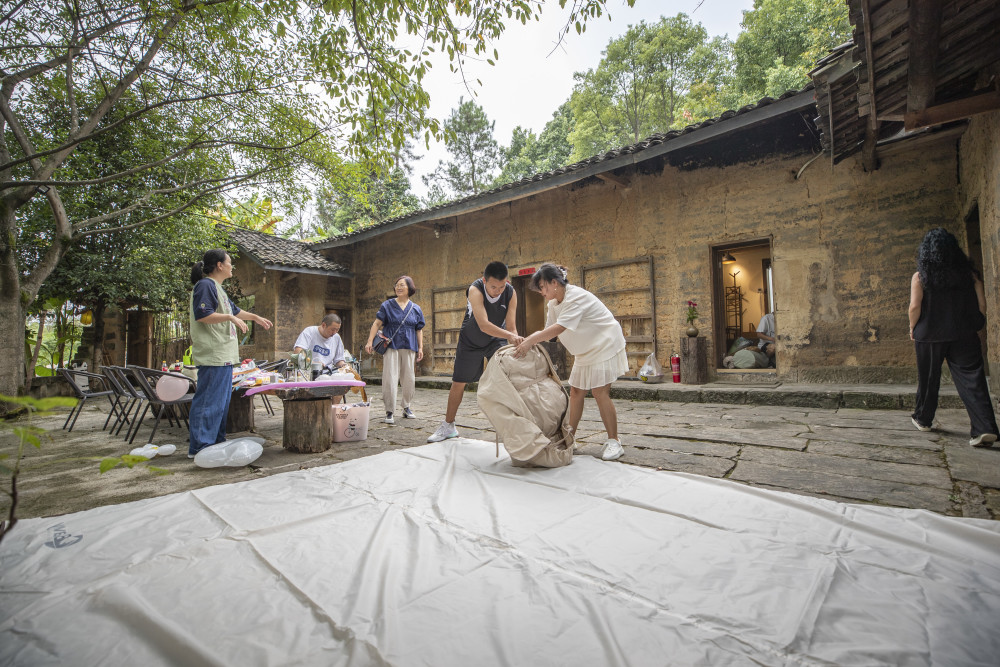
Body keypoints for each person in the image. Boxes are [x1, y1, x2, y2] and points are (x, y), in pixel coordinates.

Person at [513, 264, 628, 461]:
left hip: (603, 342)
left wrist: (530, 341)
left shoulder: (576, 297)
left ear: (554, 283)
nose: (541, 292)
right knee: (575, 392)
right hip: (585, 350)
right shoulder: (553, 304)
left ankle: (614, 441)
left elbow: (558, 328)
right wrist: (527, 344)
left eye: (543, 287)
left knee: (599, 392)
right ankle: (569, 437)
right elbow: (548, 333)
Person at [909, 227, 998, 447]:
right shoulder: (970, 275)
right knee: (973, 379)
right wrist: (975, 323)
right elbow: (982, 305)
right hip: (964, 333)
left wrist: (912, 328)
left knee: (929, 378)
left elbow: (914, 306)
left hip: (929, 335)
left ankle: (923, 419)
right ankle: (984, 428)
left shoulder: (921, 276)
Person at [188, 249, 272, 459]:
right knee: (208, 401)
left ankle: (215, 443)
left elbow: (235, 311)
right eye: (229, 262)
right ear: (219, 265)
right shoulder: (205, 285)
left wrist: (256, 317)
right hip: (213, 354)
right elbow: (203, 314)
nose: (231, 266)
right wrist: (230, 318)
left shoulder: (218, 289)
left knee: (220, 403)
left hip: (224, 356)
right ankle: (199, 447)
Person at [427, 261, 523, 443]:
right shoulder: (475, 289)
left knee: (509, 375)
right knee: (459, 382)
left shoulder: (510, 292)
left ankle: (515, 426)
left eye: (502, 286)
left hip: (496, 338)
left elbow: (511, 327)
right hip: (472, 339)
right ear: (484, 280)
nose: (498, 291)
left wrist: (515, 343)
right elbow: (484, 325)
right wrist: (511, 335)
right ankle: (448, 425)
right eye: (494, 287)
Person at [365, 276, 425, 424]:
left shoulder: (416, 308)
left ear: (409, 288)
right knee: (390, 378)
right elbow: (377, 323)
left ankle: (407, 407)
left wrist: (421, 347)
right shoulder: (387, 305)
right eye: (397, 285)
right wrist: (369, 341)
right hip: (391, 345)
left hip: (410, 345)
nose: (398, 288)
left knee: (409, 378)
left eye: (402, 285)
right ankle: (389, 411)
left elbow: (419, 330)